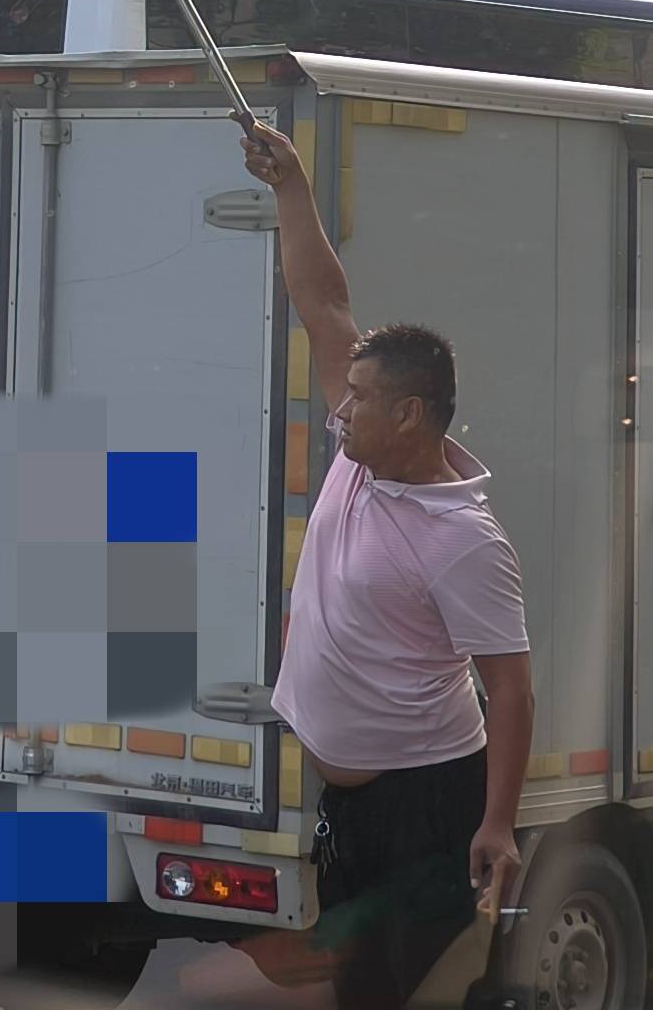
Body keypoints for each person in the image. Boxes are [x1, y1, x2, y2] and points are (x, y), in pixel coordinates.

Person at [241, 119, 534, 1008]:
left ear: (409, 416)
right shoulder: (361, 457)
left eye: (360, 400)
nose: (340, 410)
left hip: (428, 808)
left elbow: (511, 689)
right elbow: (324, 305)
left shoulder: (464, 540)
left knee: (418, 995)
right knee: (358, 992)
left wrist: (497, 824)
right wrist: (291, 184)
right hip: (354, 812)